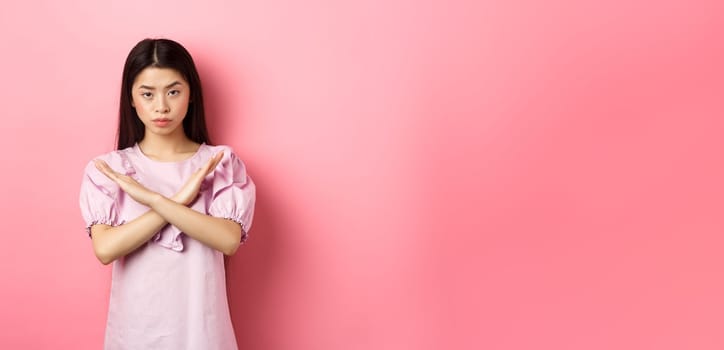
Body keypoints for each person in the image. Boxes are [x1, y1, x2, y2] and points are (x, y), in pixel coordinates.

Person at [79, 38, 255, 350]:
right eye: (147, 94)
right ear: (132, 98)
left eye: (173, 91)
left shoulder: (218, 163)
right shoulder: (110, 169)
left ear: (191, 96)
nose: (161, 106)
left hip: (202, 330)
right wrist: (178, 200)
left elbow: (228, 240)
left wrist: (156, 199)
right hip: (135, 330)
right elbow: (105, 249)